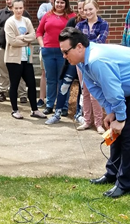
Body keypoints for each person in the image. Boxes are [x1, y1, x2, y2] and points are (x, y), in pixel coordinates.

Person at [59, 26, 130, 198]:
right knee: (115, 134)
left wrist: (120, 118)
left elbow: (114, 91)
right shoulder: (83, 62)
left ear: (79, 47)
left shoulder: (97, 60)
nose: (64, 56)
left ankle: (125, 183)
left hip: (124, 92)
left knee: (127, 135)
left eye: (66, 52)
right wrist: (111, 112)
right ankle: (112, 174)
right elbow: (95, 90)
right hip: (124, 93)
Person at [45, 0, 86, 125]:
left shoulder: (97, 23)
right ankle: (57, 113)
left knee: (82, 88)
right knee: (64, 84)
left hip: (86, 62)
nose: (83, 11)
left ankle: (79, 113)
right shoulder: (73, 21)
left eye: (85, 8)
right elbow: (64, 37)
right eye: (80, 8)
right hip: (73, 62)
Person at [4, 0, 47, 120]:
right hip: (13, 59)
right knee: (15, 84)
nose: (18, 10)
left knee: (32, 84)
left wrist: (21, 37)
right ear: (12, 8)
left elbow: (33, 35)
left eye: (20, 8)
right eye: (16, 8)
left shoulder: (26, 21)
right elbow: (12, 41)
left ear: (23, 8)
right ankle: (15, 110)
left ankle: (35, 110)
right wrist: (25, 39)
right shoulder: (10, 22)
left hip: (26, 59)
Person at [36, 0, 75, 115]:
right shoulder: (47, 15)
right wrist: (43, 46)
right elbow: (39, 32)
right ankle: (49, 105)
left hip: (64, 52)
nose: (59, 4)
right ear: (54, 2)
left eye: (62, 2)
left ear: (66, 4)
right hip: (48, 51)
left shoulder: (71, 16)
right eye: (57, 2)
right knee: (50, 79)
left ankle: (63, 106)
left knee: (63, 79)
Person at [75, 0, 109, 134]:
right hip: (81, 62)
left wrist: (84, 43)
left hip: (95, 61)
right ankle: (87, 121)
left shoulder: (103, 24)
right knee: (85, 92)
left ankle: (98, 123)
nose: (88, 12)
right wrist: (87, 42)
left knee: (95, 93)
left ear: (97, 9)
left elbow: (101, 41)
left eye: (91, 9)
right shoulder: (79, 25)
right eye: (86, 9)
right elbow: (76, 41)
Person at [0, 0, 31, 103]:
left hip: (18, 49)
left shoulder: (24, 14)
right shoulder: (1, 13)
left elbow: (30, 32)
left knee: (21, 72)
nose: (9, 1)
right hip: (3, 48)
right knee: (3, 71)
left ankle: (22, 94)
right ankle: (2, 92)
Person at [36, 0, 54, 108]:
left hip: (58, 49)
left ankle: (53, 99)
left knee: (57, 75)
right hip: (45, 47)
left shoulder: (64, 9)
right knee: (44, 74)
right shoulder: (44, 6)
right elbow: (40, 16)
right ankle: (41, 98)